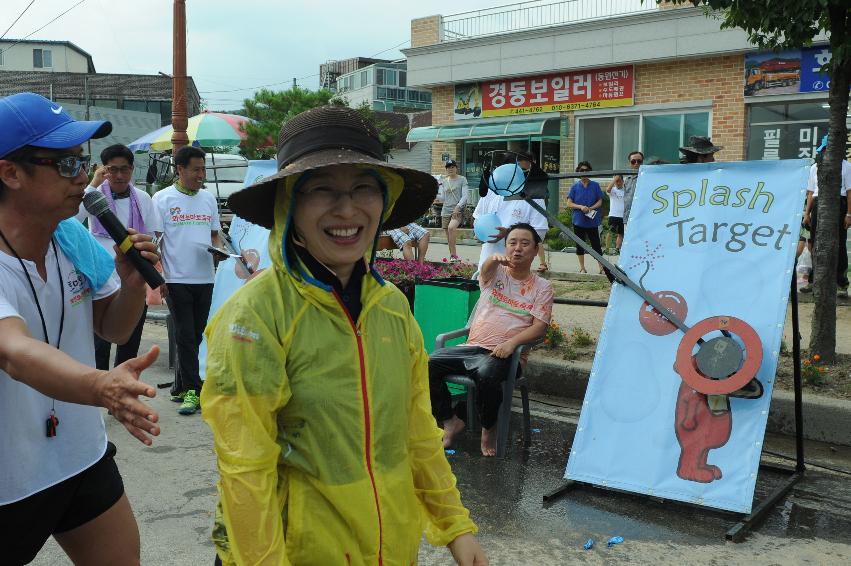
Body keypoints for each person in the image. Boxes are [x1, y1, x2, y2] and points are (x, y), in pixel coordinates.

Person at [201, 105, 487, 566]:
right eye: (322, 190)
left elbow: (416, 432)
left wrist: (454, 526)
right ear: (288, 205)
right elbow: (245, 467)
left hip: (388, 546)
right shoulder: (255, 316)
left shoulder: (392, 306)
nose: (347, 209)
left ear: (385, 200)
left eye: (363, 188)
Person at [0, 92, 161, 565]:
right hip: (9, 476)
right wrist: (101, 386)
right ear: (10, 172)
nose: (85, 178)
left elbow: (113, 328)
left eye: (82, 160)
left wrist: (132, 284)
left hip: (79, 454)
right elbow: (12, 349)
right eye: (67, 164)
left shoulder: (70, 238)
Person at [429, 223, 553, 456]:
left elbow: (539, 328)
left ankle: (489, 430)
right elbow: (484, 272)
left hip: (507, 356)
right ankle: (450, 421)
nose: (517, 249)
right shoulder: (495, 273)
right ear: (505, 247)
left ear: (536, 250)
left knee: (486, 374)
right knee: (429, 362)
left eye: (525, 243)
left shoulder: (542, 287)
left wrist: (511, 343)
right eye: (512, 243)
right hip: (473, 347)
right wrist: (492, 260)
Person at [76, 144, 163, 370]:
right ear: (104, 170)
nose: (119, 175)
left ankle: (121, 401)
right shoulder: (93, 197)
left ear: (133, 169)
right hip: (101, 280)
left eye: (125, 169)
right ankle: (98, 394)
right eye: (112, 170)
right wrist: (93, 184)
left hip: (134, 278)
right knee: (99, 346)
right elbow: (72, 219)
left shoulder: (143, 198)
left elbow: (154, 236)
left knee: (130, 344)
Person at [152, 145, 223, 415]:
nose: (201, 175)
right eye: (196, 169)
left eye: (203, 169)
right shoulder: (162, 199)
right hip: (175, 277)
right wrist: (158, 275)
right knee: (185, 335)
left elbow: (215, 235)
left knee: (196, 333)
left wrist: (220, 252)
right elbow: (155, 240)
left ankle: (180, 386)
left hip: (205, 278)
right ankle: (194, 391)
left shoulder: (208, 199)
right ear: (180, 169)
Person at [472, 152, 548, 272]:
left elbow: (539, 233)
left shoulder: (534, 197)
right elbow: (478, 219)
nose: (519, 175)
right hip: (487, 266)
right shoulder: (491, 192)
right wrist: (478, 232)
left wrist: (508, 234)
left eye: (524, 171)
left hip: (516, 269)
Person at [802, 136, 851, 296]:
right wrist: (807, 213)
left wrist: (849, 214)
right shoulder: (815, 167)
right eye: (822, 150)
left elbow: (850, 191)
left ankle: (841, 284)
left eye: (826, 149)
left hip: (839, 203)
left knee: (840, 244)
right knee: (816, 244)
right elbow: (810, 192)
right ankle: (814, 282)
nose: (824, 153)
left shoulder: (846, 166)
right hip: (817, 204)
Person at [565, 161, 605, 274]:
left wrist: (591, 208)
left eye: (586, 170)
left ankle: (601, 267)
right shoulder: (574, 186)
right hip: (578, 220)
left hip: (592, 220)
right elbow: (569, 203)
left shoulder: (595, 185)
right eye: (582, 170)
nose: (584, 172)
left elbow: (600, 201)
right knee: (580, 245)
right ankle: (582, 267)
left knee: (596, 245)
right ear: (578, 172)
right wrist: (580, 207)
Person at [440, 159, 469, 260]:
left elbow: (465, 196)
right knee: (449, 238)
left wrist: (458, 207)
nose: (450, 169)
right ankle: (453, 257)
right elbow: (443, 198)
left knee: (451, 228)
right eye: (448, 167)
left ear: (456, 168)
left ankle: (453, 256)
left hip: (457, 210)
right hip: (445, 211)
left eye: (452, 167)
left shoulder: (462, 179)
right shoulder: (444, 181)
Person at [621, 150, 643, 227]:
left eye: (639, 161)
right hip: (628, 217)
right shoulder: (627, 179)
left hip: (642, 217)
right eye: (633, 161)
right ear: (629, 163)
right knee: (627, 239)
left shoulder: (646, 178)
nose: (636, 163)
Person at [605, 174, 625, 254]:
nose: (618, 183)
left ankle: (617, 249)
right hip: (613, 215)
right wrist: (614, 179)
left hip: (623, 216)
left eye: (619, 180)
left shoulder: (626, 190)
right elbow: (608, 189)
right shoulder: (613, 190)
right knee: (610, 232)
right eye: (616, 181)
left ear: (623, 181)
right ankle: (607, 248)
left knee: (621, 234)